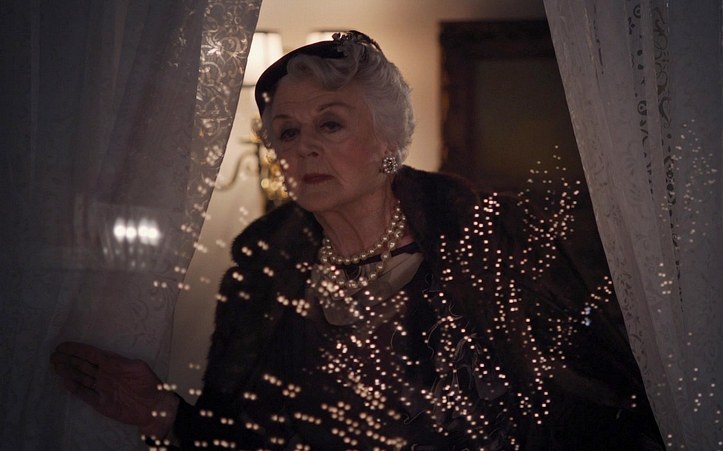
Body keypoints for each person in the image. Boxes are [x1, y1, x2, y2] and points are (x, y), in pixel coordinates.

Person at [51, 31, 662, 449]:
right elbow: (246, 437)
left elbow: (595, 404)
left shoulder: (487, 239)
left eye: (331, 124)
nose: (304, 148)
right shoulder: (263, 273)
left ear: (388, 140)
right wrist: (162, 413)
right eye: (287, 132)